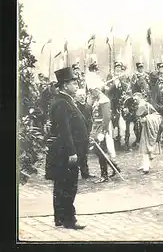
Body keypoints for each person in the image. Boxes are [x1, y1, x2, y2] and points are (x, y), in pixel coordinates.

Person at [45, 67, 87, 229]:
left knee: (61, 185)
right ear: (64, 86)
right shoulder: (62, 103)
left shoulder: (65, 100)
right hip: (66, 152)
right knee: (68, 185)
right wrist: (72, 152)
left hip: (64, 150)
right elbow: (65, 129)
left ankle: (60, 218)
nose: (76, 85)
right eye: (73, 82)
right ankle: (69, 220)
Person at [87, 79, 121, 183]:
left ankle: (104, 175)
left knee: (99, 150)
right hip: (96, 126)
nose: (91, 93)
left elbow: (106, 117)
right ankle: (114, 167)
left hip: (102, 127)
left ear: (97, 90)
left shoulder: (104, 100)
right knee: (99, 150)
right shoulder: (97, 99)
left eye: (92, 91)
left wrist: (102, 132)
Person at [74, 89, 95, 179]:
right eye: (80, 95)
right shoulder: (75, 107)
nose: (82, 97)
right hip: (77, 134)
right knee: (78, 154)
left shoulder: (88, 106)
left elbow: (91, 119)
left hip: (86, 133)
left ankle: (85, 173)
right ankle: (74, 174)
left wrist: (90, 131)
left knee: (84, 154)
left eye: (83, 95)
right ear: (77, 97)